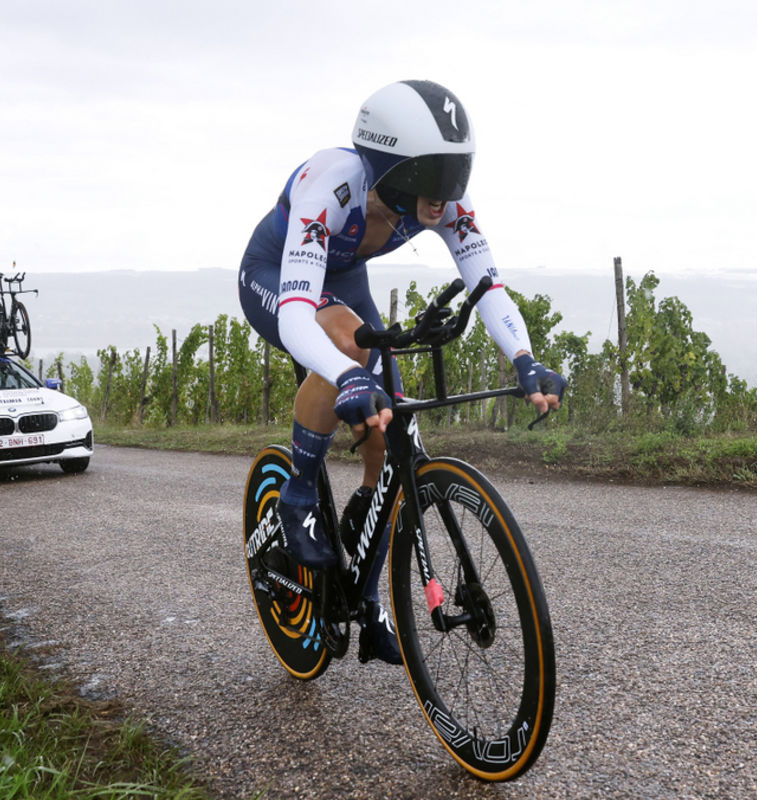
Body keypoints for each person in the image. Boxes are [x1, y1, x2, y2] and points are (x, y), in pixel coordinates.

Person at [237, 79, 566, 664]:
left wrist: (525, 358)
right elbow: (295, 316)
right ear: (390, 169)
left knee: (391, 432)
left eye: (455, 175)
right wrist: (345, 374)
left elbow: (488, 286)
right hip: (276, 277)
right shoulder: (331, 183)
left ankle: (365, 588)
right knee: (348, 352)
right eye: (432, 177)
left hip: (344, 285)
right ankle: (297, 492)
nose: (446, 196)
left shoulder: (440, 205)